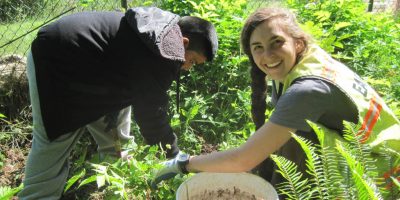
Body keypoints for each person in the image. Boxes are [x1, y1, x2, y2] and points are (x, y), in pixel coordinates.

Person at [152, 6, 400, 197]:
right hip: (372, 158)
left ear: (298, 42)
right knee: (288, 136)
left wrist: (184, 163)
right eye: (257, 47)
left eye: (276, 42)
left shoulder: (307, 89)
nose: (267, 56)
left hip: (382, 178)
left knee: (294, 140)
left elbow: (244, 158)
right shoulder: (305, 61)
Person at [18, 6, 218, 199]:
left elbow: (131, 75)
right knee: (55, 137)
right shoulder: (161, 50)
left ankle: (116, 174)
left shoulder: (161, 32)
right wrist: (175, 158)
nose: (188, 68)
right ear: (183, 43)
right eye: (192, 60)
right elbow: (151, 114)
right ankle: (38, 195)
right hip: (57, 60)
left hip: (92, 67)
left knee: (118, 126)